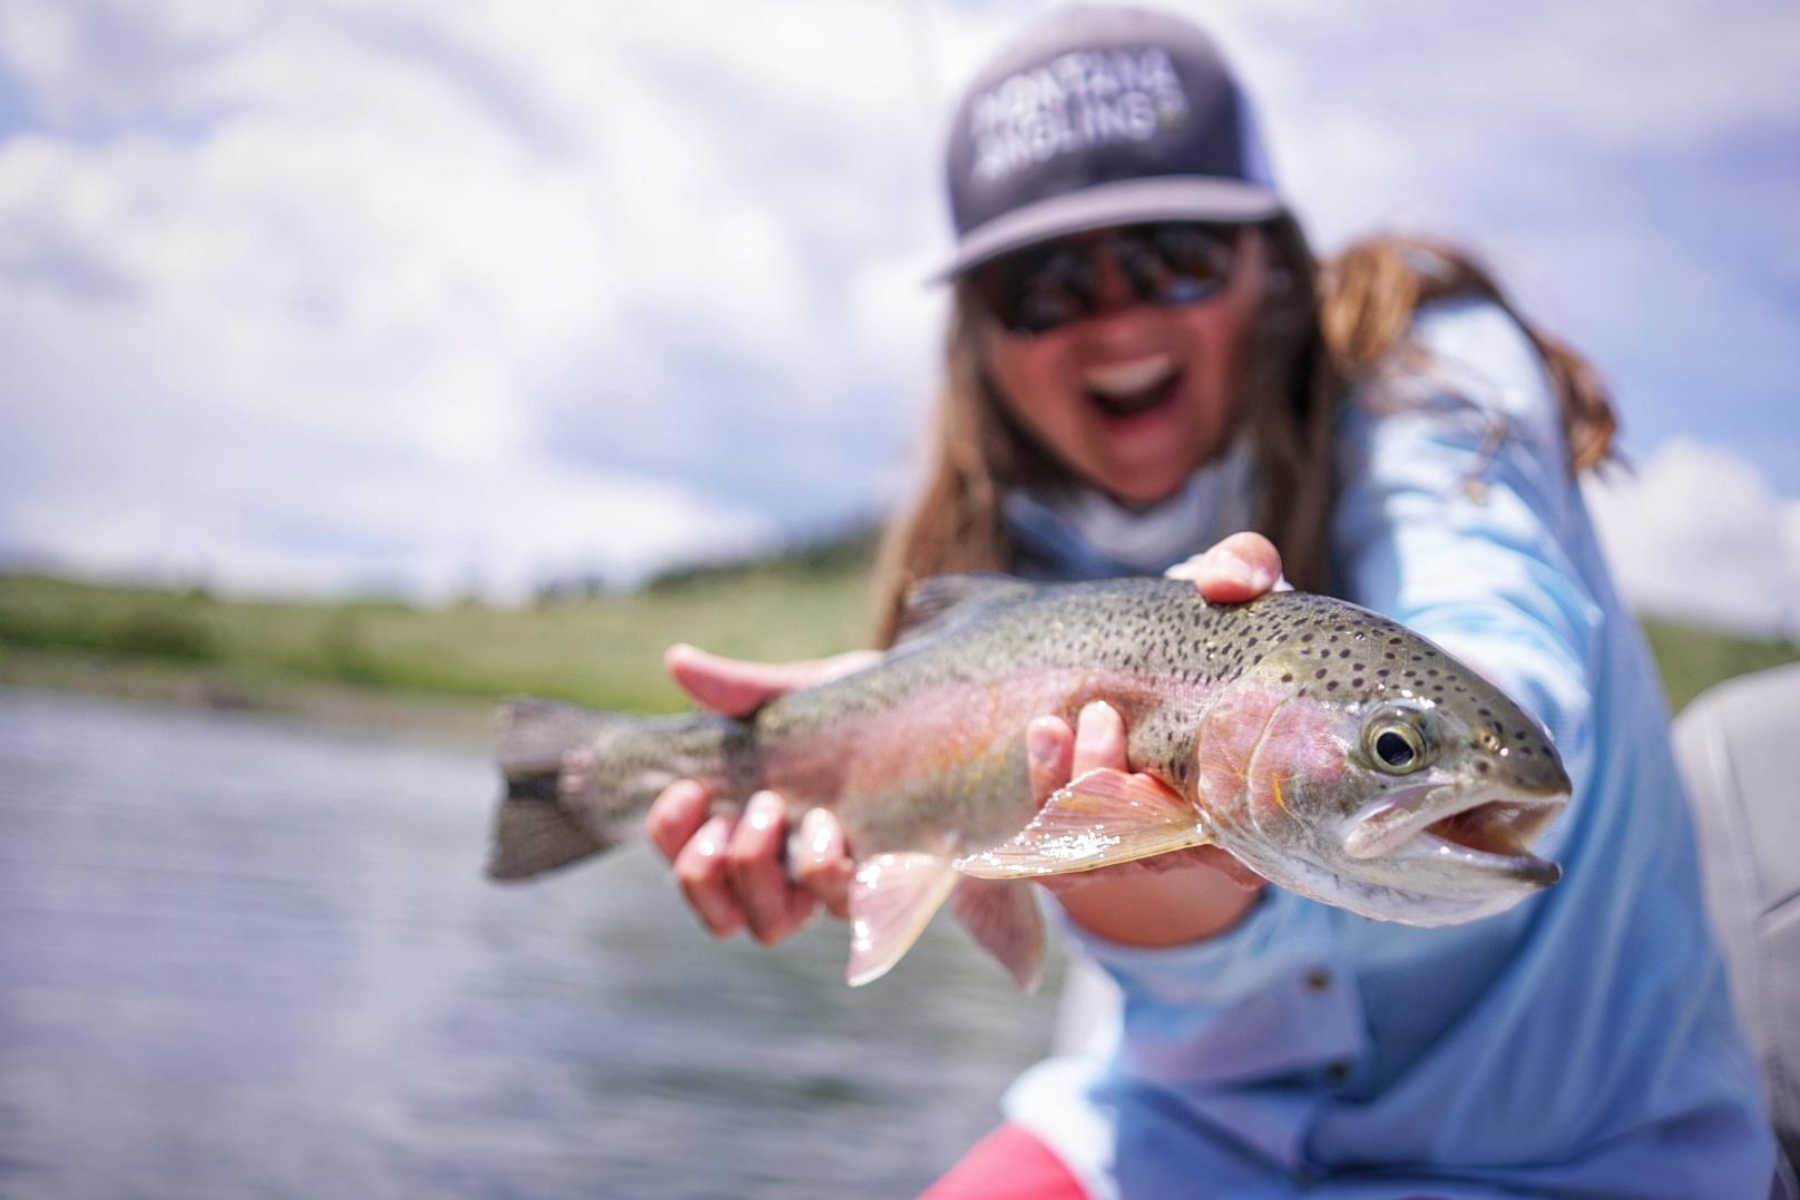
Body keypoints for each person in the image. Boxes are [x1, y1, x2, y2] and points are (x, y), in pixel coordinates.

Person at [645, 6, 1782, 1196]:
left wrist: (1373, 752)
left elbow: (1498, 624)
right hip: (1170, 1136)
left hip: (1571, 1157)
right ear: (980, 336)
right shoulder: (1013, 554)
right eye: (1042, 286)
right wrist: (875, 749)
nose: (1117, 318)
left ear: (1271, 264)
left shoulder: (1423, 363)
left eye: (1169, 256)